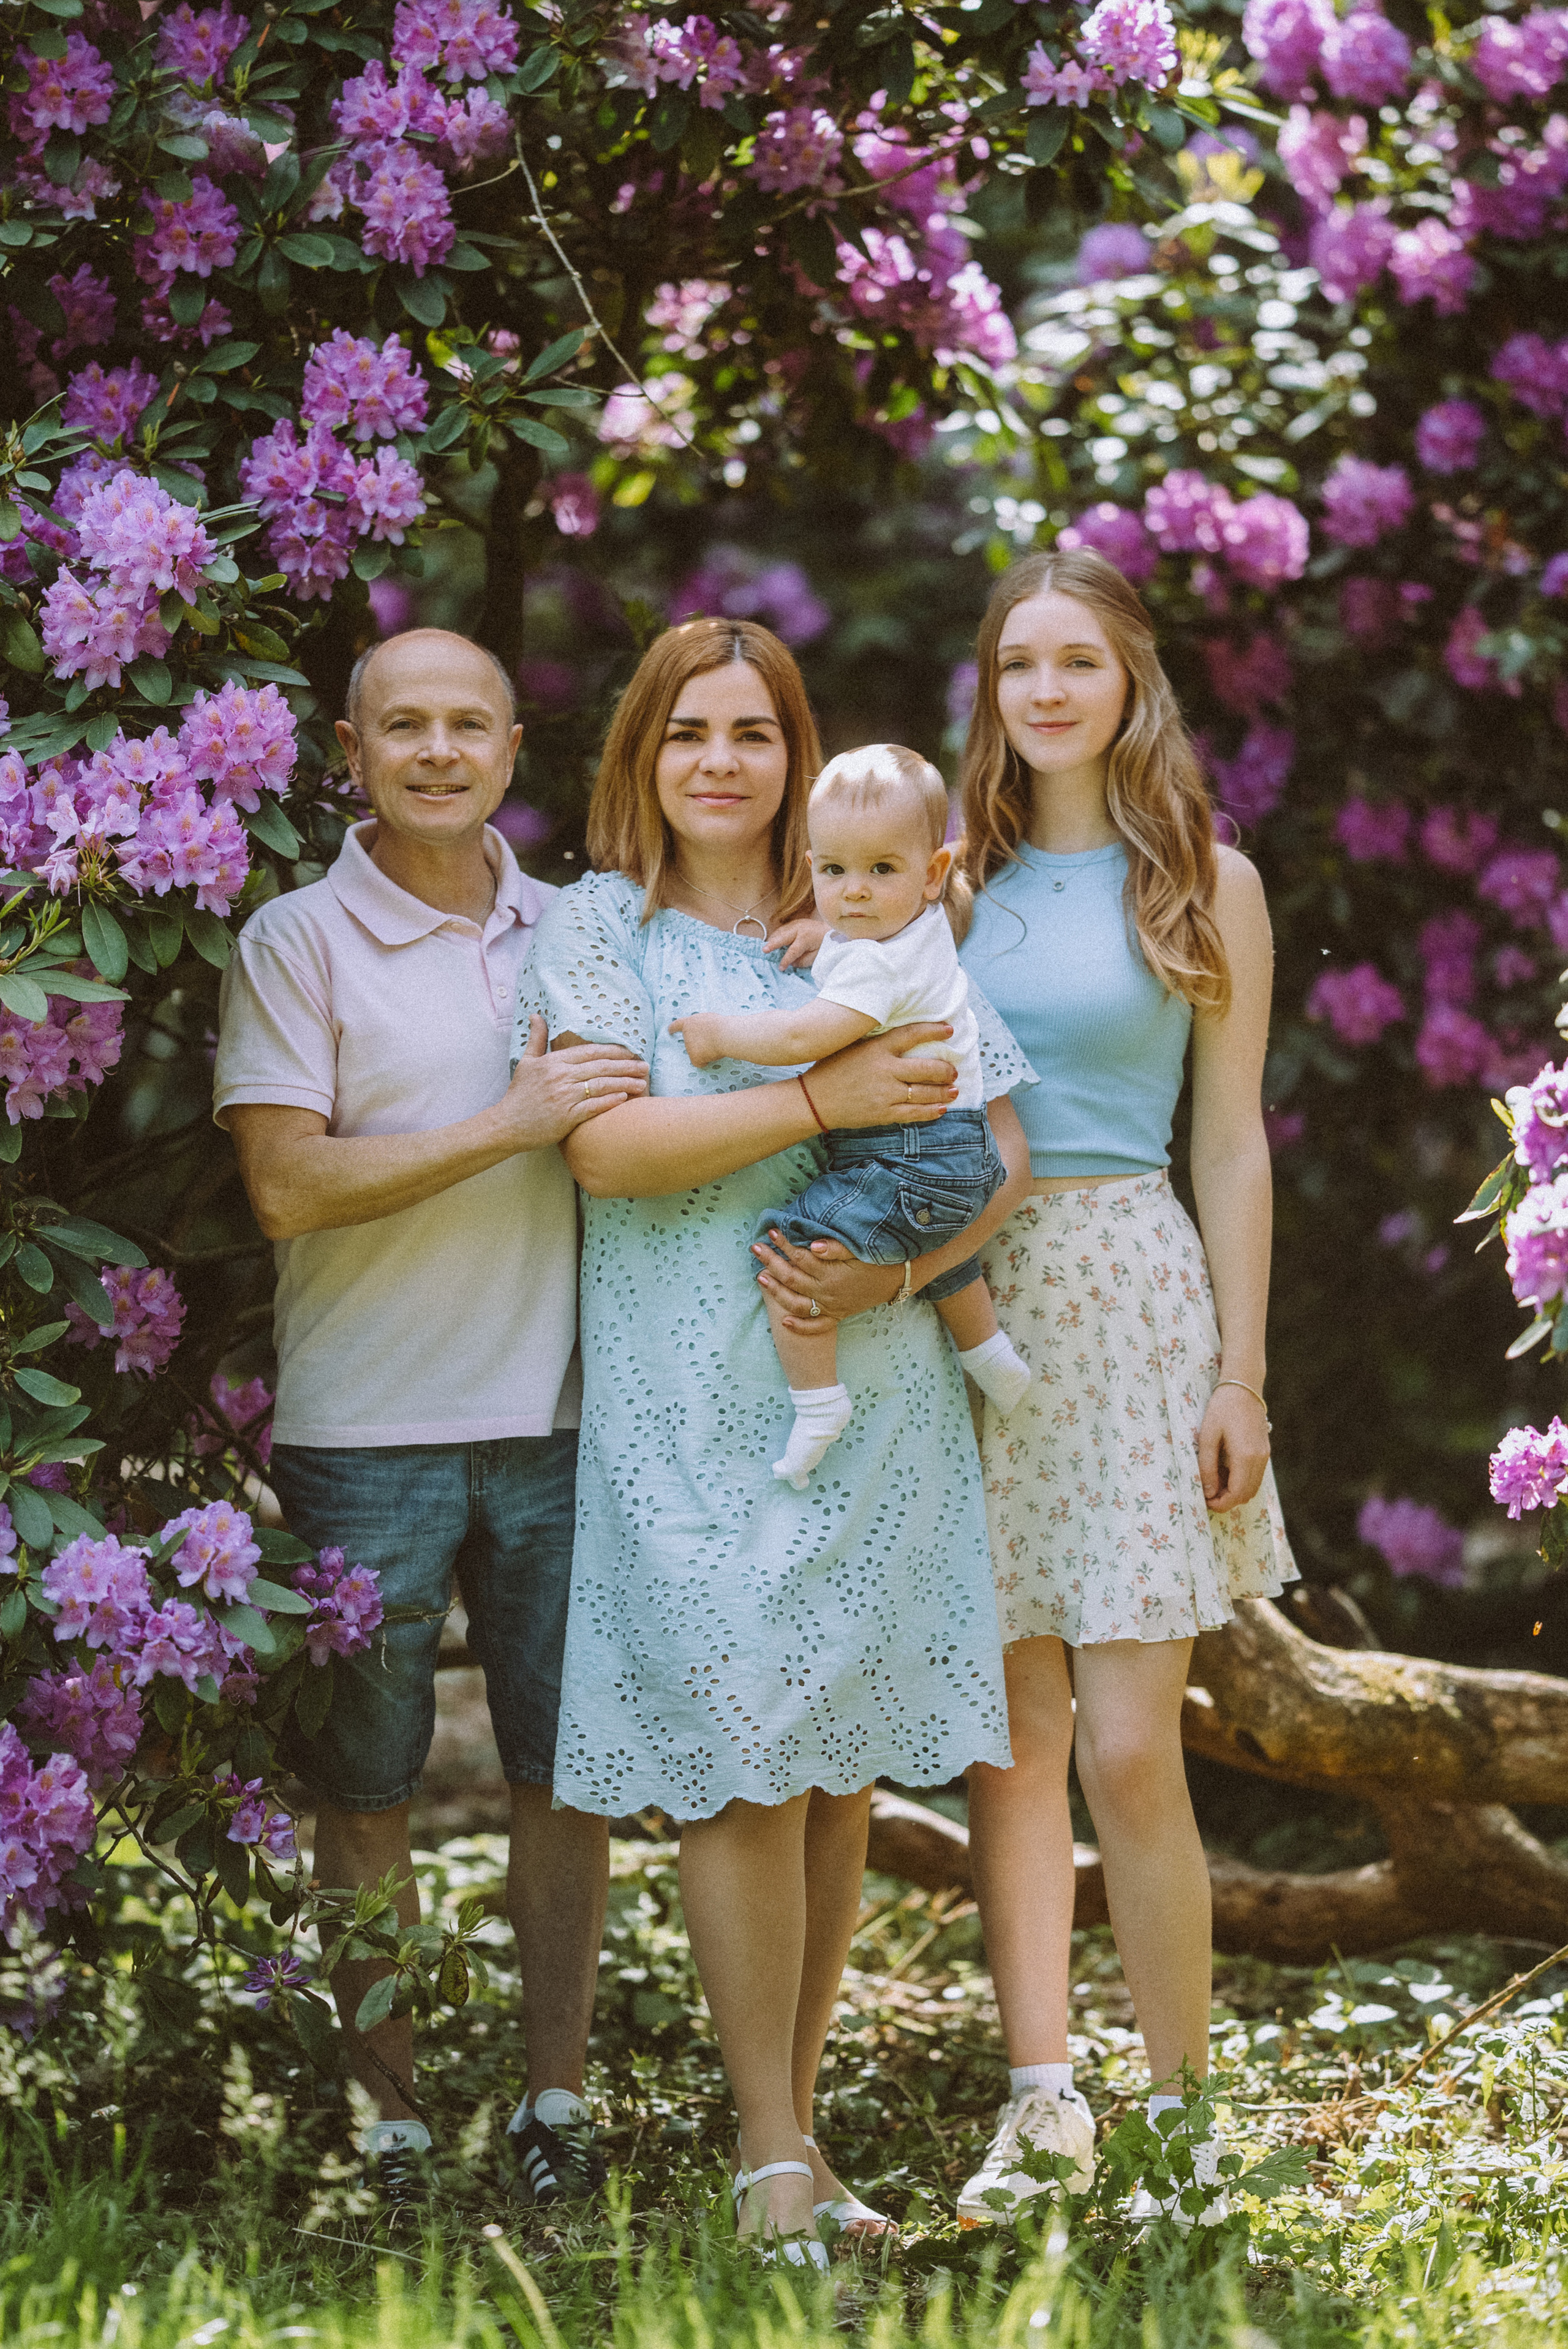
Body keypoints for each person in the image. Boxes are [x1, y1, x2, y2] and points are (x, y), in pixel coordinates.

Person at [515, 619, 1032, 2263]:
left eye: (753, 731)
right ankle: (767, 2165)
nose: (721, 762)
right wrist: (824, 1102)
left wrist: (903, 1264)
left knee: (829, 1774)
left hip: (867, 1387)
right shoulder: (606, 936)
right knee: (741, 1759)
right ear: (641, 760)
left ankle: (801, 2142)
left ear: (798, 755)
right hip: (687, 1403)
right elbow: (610, 1151)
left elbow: (999, 1147)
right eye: (688, 733)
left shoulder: (873, 920)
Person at [213, 628, 649, 2225]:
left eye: (471, 724)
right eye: (409, 726)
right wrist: (514, 1122)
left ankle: (555, 2101)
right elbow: (285, 1181)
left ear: (518, 748)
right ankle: (390, 2126)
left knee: (562, 1774)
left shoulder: (585, 930)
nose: (442, 751)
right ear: (351, 747)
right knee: (369, 1792)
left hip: (556, 1415)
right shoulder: (294, 939)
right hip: (364, 1429)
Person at [949, 550, 1295, 2229]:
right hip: (967, 1309)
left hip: (1138, 1301)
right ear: (993, 692)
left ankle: (1180, 2116)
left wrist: (1244, 1370)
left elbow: (1229, 1139)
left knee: (1129, 1743)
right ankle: (1041, 2101)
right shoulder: (952, 879)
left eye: (1077, 660)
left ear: (1130, 679)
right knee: (1008, 1746)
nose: (1047, 691)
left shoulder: (1204, 880)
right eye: (1019, 664)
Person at [671, 741, 1031, 1487]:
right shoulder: (911, 931)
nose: (855, 892)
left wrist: (718, 1033)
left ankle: (816, 1401)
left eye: (880, 870)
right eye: (835, 871)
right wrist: (828, 933)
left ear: (932, 874)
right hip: (960, 1157)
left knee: (791, 1244)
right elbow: (860, 935)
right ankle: (989, 1352)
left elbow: (806, 1036)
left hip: (908, 1152)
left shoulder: (873, 961)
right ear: (812, 869)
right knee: (931, 1236)